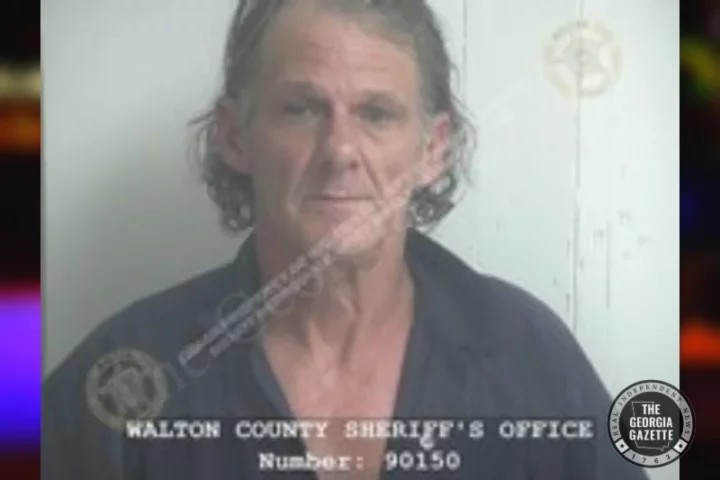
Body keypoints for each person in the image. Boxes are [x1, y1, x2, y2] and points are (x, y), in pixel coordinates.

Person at [43, 1, 650, 479]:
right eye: (302, 109)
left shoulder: (529, 356)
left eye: (376, 113)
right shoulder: (123, 377)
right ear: (234, 137)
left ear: (433, 148)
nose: (340, 150)